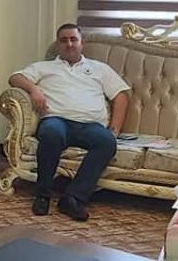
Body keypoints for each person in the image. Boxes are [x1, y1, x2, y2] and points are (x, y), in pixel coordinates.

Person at [9, 23, 130, 222]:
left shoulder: (99, 69)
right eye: (64, 40)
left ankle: (73, 198)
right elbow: (15, 78)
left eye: (74, 39)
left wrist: (114, 129)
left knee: (107, 142)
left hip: (90, 125)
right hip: (57, 121)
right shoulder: (44, 67)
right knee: (51, 133)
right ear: (58, 45)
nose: (69, 44)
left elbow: (121, 96)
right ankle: (42, 195)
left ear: (82, 43)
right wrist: (34, 89)